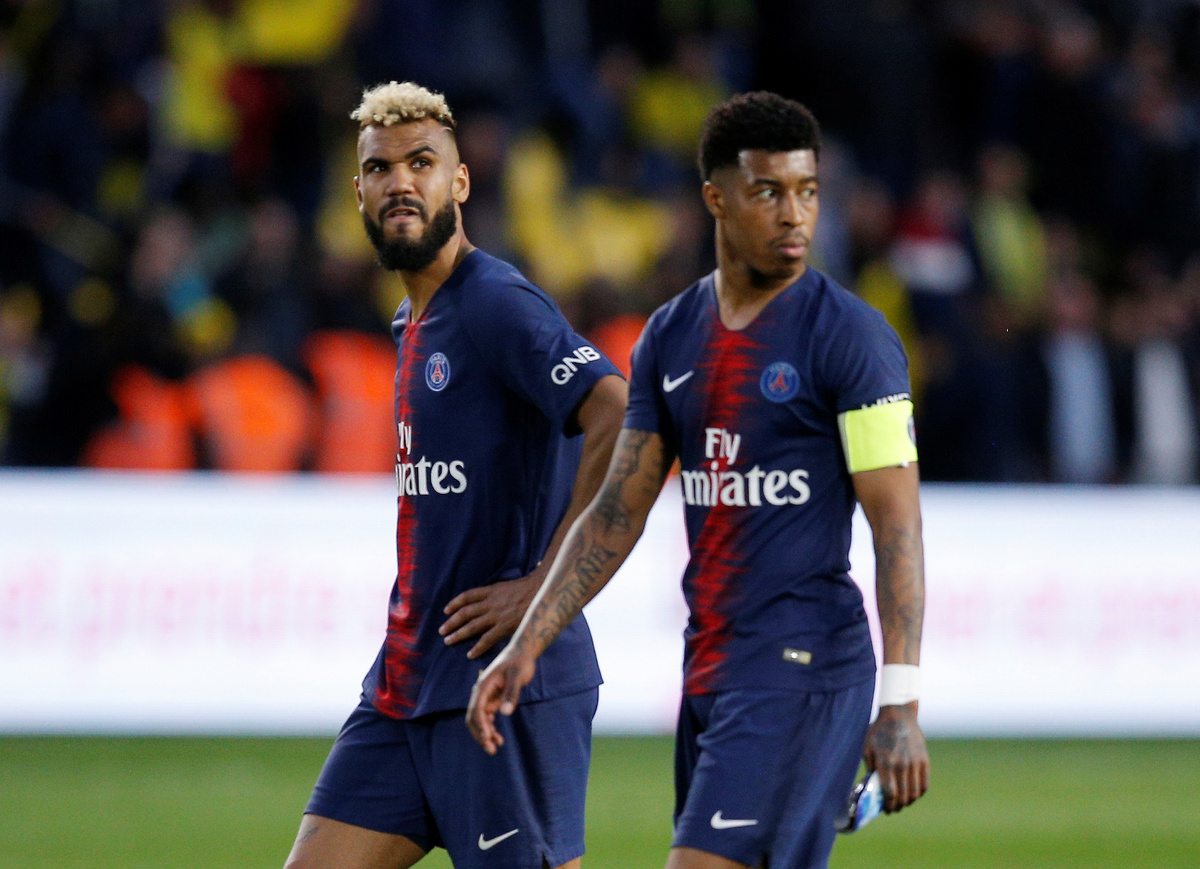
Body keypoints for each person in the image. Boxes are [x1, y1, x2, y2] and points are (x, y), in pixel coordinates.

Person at [469, 91, 930, 869]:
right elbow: (617, 511)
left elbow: (898, 526)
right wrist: (528, 641)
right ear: (716, 199)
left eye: (808, 191)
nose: (795, 214)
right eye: (768, 192)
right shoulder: (671, 336)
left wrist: (902, 701)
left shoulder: (853, 337)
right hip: (711, 668)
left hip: (805, 667)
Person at [285, 82, 627, 869]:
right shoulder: (412, 320)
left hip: (504, 680)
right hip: (406, 682)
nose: (400, 182)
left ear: (460, 182)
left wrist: (544, 587)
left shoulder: (495, 301)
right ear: (359, 192)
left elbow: (616, 408)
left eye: (422, 162)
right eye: (381, 168)